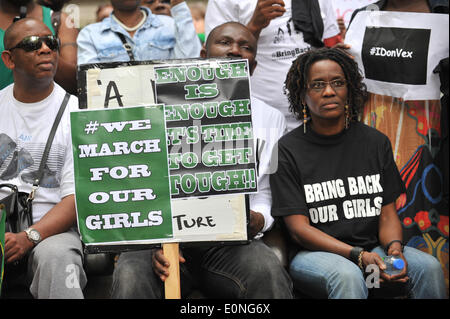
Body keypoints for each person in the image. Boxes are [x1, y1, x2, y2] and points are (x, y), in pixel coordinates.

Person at [111, 22, 293, 299]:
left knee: (266, 269)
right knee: (131, 274)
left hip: (230, 244)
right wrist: (154, 241)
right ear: (203, 54)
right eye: (225, 42)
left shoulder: (271, 118)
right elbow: (137, 184)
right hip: (160, 240)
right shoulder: (156, 107)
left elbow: (266, 192)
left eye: (246, 47)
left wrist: (260, 219)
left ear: (253, 66)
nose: (235, 50)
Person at [269, 47, 447, 299]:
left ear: (349, 89)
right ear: (302, 96)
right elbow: (300, 230)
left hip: (374, 249)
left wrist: (394, 252)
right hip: (316, 256)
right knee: (347, 275)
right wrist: (358, 256)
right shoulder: (287, 150)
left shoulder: (375, 142)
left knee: (428, 267)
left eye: (337, 83)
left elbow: (387, 216)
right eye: (317, 85)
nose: (329, 91)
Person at [347, 0, 449, 290]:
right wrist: (345, 66)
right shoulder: (363, 17)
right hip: (378, 133)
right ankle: (379, 287)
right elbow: (353, 92)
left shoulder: (445, 13)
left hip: (437, 137)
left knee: (436, 214)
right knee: (375, 216)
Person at [0, 18, 85, 298]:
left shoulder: (78, 114)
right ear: (9, 60)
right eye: (33, 44)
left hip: (53, 232)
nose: (46, 49)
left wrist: (29, 237)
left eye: (52, 42)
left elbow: (76, 198)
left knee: (57, 258)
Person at [205, 0, 342, 132]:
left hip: (313, 120)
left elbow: (329, 44)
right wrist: (255, 25)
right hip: (256, 123)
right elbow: (216, 57)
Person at [77, 0, 201, 65]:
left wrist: (179, 6)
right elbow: (91, 86)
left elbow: (190, 66)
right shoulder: (90, 35)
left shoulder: (169, 25)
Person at [0, 0, 79, 94]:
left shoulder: (59, 20)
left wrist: (41, 49)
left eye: (52, 41)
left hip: (50, 105)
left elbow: (75, 81)